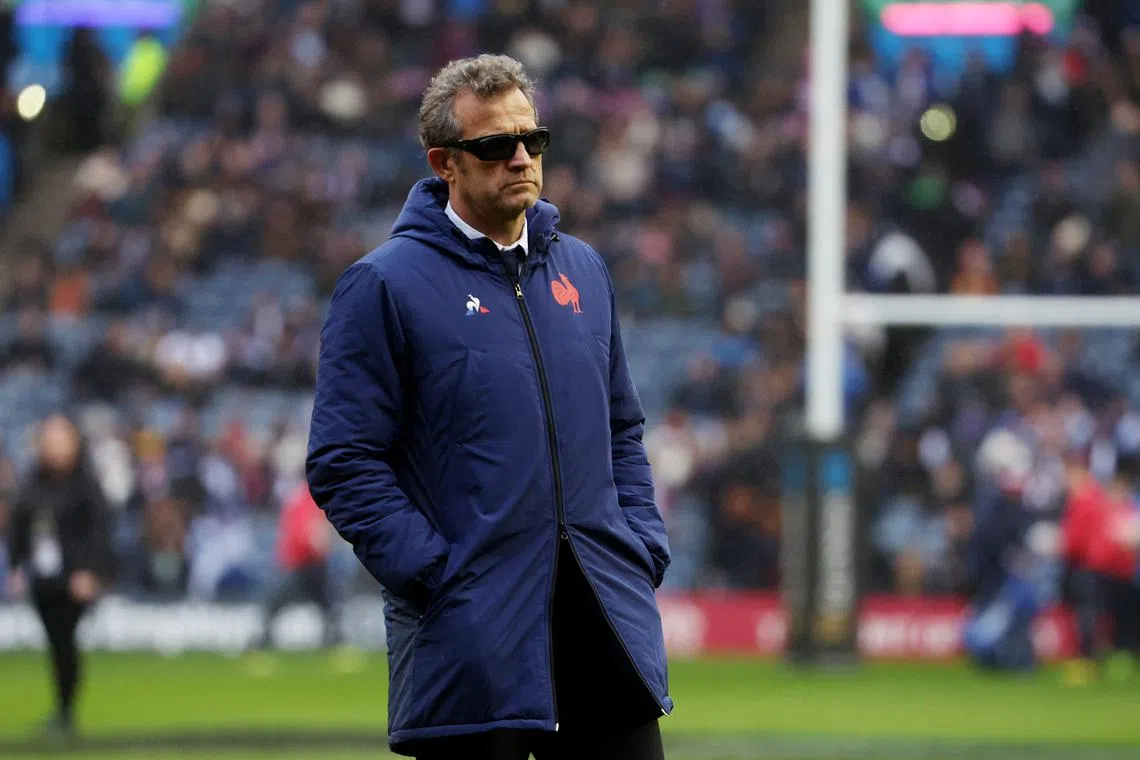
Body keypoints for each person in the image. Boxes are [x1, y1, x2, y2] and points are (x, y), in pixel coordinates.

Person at [307, 54, 671, 760]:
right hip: (471, 639)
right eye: (496, 145)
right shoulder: (382, 285)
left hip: (603, 628)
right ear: (444, 162)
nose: (521, 159)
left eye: (532, 140)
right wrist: (438, 577)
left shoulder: (585, 270)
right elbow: (343, 460)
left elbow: (622, 429)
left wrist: (640, 547)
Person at [5, 413, 113, 737]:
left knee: (64, 641)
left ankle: (65, 711)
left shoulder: (85, 485)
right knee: (56, 642)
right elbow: (19, 527)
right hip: (43, 576)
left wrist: (91, 571)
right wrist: (15, 566)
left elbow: (98, 531)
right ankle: (62, 711)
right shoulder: (32, 484)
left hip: (74, 576)